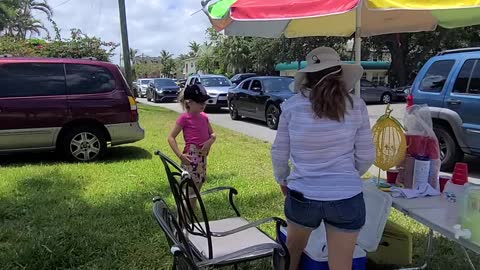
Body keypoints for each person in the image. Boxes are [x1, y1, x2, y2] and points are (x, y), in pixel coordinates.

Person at [271, 47, 375, 270]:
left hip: (302, 195)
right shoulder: (357, 106)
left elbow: (279, 152)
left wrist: (282, 179)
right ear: (339, 74)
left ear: (307, 76)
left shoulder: (291, 107)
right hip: (347, 196)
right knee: (341, 264)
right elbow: (366, 156)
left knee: (292, 252)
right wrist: (346, 175)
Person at [168, 84, 216, 206]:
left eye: (204, 101)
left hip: (202, 159)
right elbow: (171, 138)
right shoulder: (184, 118)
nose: (203, 105)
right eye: (199, 102)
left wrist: (209, 142)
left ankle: (192, 214)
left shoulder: (204, 117)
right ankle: (183, 218)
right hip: (190, 159)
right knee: (188, 192)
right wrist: (180, 155)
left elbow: (213, 135)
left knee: (197, 188)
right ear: (188, 102)